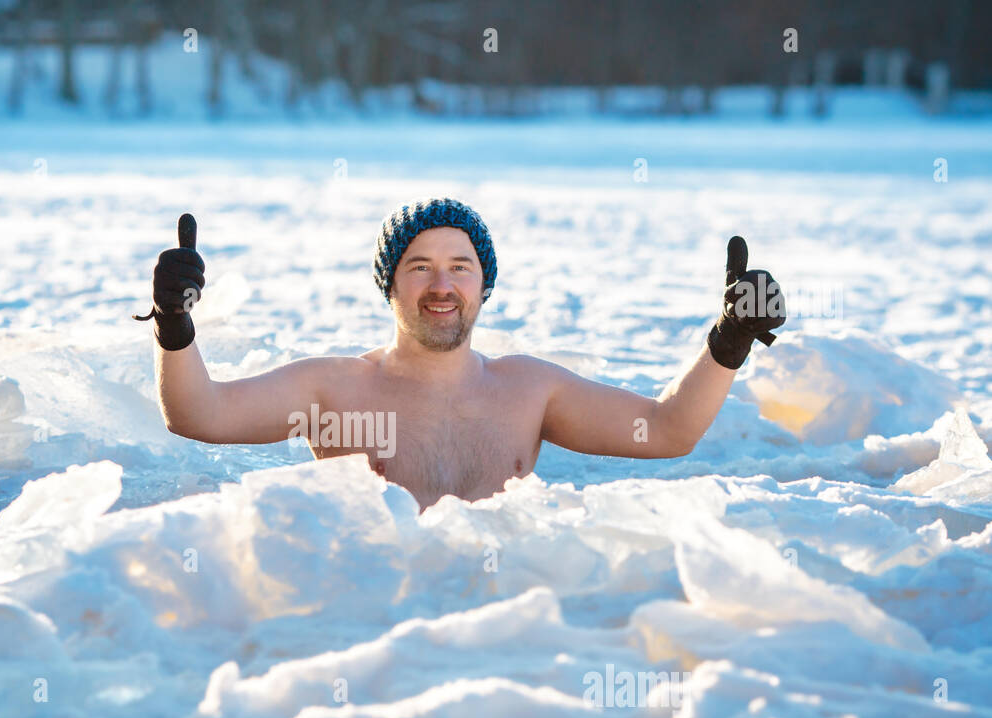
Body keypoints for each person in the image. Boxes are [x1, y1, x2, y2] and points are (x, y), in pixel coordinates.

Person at [134, 198, 785, 511]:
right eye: (418, 267)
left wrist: (728, 340)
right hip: (370, 628)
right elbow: (201, 415)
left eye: (459, 267)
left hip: (492, 628)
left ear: (483, 284)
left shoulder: (530, 391)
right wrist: (173, 321)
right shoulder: (332, 390)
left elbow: (668, 431)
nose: (441, 285)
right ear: (390, 285)